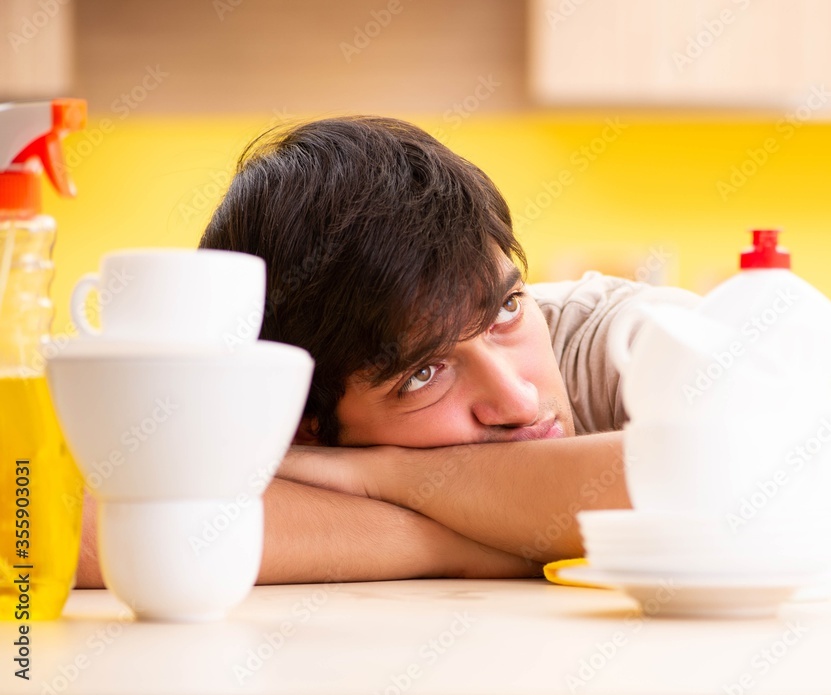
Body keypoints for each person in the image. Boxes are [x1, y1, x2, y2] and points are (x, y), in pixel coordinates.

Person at [74, 116, 698, 588]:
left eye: (506, 310)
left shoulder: (617, 337)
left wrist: (387, 476)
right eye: (424, 374)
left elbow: (738, 475)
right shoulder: (255, 398)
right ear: (307, 425)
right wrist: (463, 543)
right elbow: (48, 522)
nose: (518, 398)